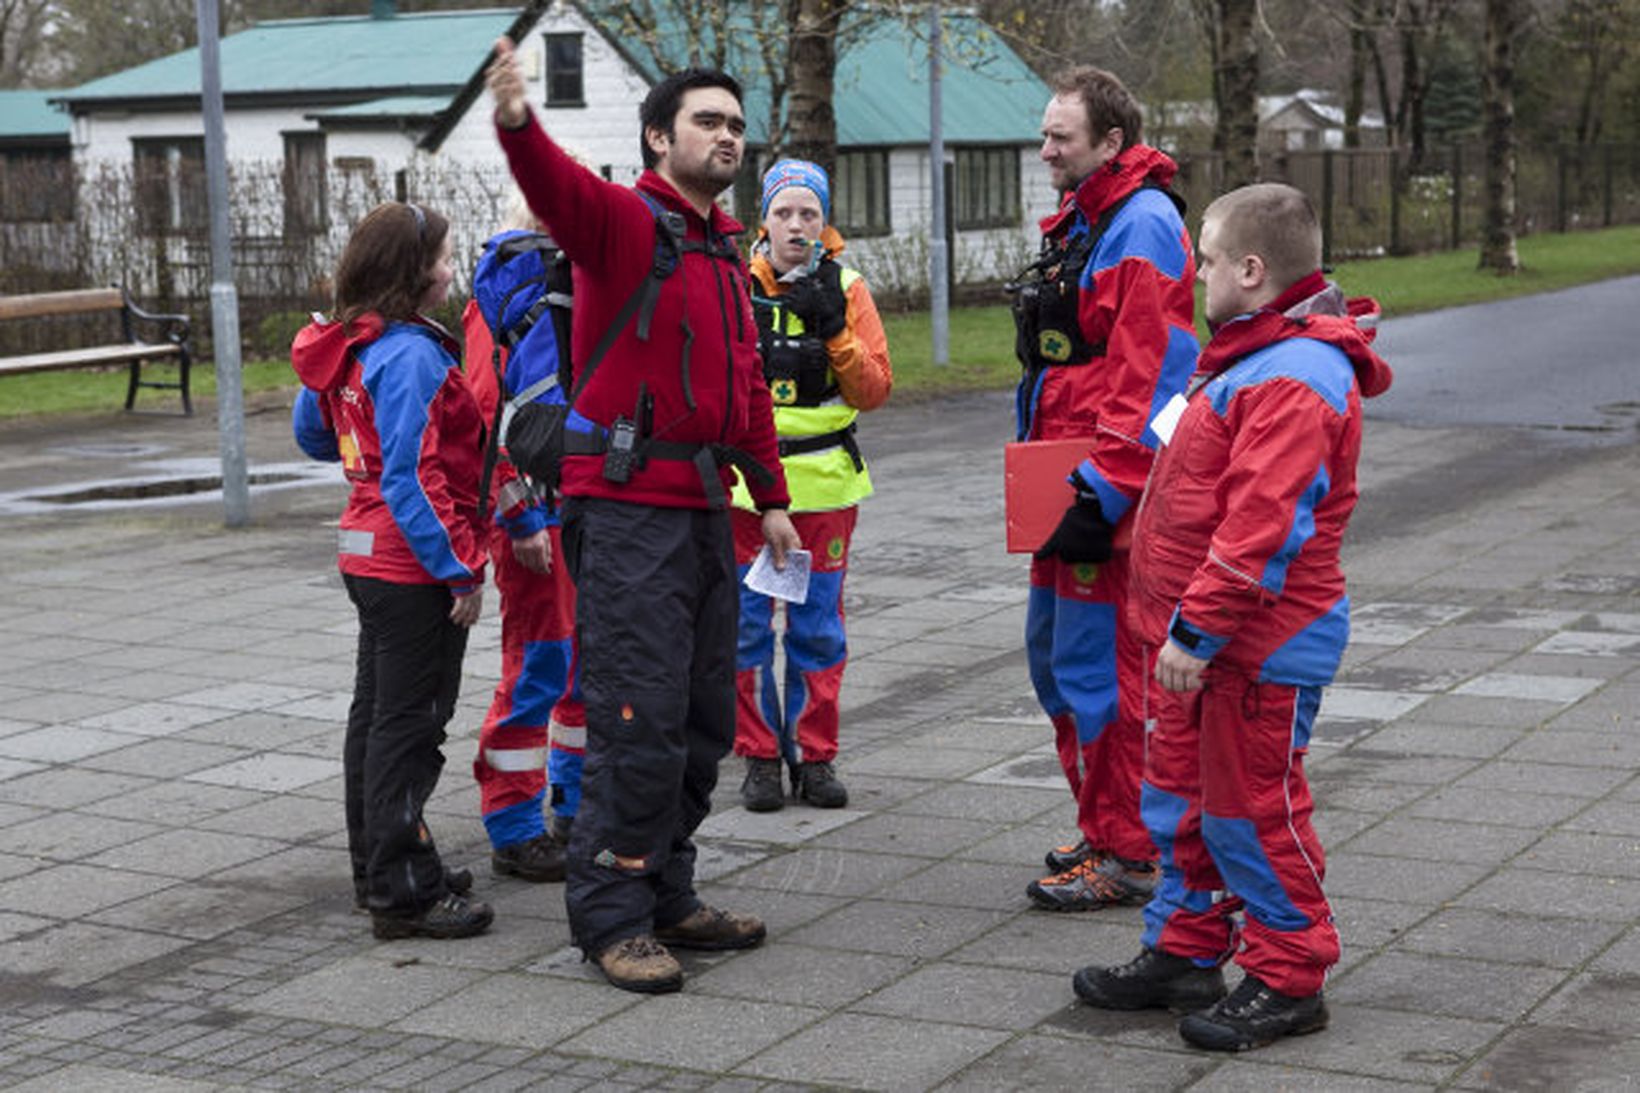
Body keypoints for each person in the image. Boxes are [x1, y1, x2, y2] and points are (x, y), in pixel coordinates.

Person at [486, 38, 800, 994]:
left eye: (737, 125)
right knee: (638, 718)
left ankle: (668, 889)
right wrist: (515, 124)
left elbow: (746, 383)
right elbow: (558, 190)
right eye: (708, 121)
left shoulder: (723, 248)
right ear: (660, 136)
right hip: (624, 517)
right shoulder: (627, 225)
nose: (727, 136)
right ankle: (612, 915)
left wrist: (773, 498)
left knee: (705, 717)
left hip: (705, 508)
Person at [1072, 183, 1393, 1052]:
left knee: (1251, 808)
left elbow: (1261, 526)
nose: (1195, 271)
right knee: (1180, 802)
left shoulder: (1296, 374)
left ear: (1250, 271)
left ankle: (1291, 973)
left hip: (1252, 644)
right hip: (1200, 643)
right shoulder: (1255, 355)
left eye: (1206, 257)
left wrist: (1196, 629)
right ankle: (1185, 949)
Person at [1014, 66, 1199, 911]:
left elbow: (1153, 376)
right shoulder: (1095, 218)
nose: (1046, 148)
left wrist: (1106, 492)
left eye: (1062, 136)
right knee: (1058, 666)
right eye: (1047, 133)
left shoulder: (1142, 227)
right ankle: (1102, 823)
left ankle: (1128, 853)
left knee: (1101, 679)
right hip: (1065, 476)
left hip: (1099, 492)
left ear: (1112, 142)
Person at [290, 200, 494, 940]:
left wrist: (362, 451)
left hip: (364, 551)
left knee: (375, 721)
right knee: (410, 729)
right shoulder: (409, 352)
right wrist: (461, 569)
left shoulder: (351, 338)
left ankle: (381, 864)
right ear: (412, 272)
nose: (450, 268)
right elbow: (411, 475)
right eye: (441, 258)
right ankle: (404, 892)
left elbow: (315, 433)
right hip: (411, 565)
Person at [733, 158, 893, 814]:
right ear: (763, 219)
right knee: (744, 630)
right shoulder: (735, 285)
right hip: (747, 493)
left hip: (825, 489)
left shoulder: (849, 288)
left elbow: (874, 389)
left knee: (817, 628)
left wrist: (833, 332)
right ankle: (759, 755)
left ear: (825, 224)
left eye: (809, 214)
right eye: (784, 212)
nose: (796, 225)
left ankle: (816, 756)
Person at [462, 200, 587, 884]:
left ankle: (571, 801)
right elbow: (486, 415)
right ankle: (513, 825)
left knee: (582, 668)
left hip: (578, 509)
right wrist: (520, 517)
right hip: (537, 517)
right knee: (541, 666)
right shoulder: (508, 294)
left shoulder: (567, 285)